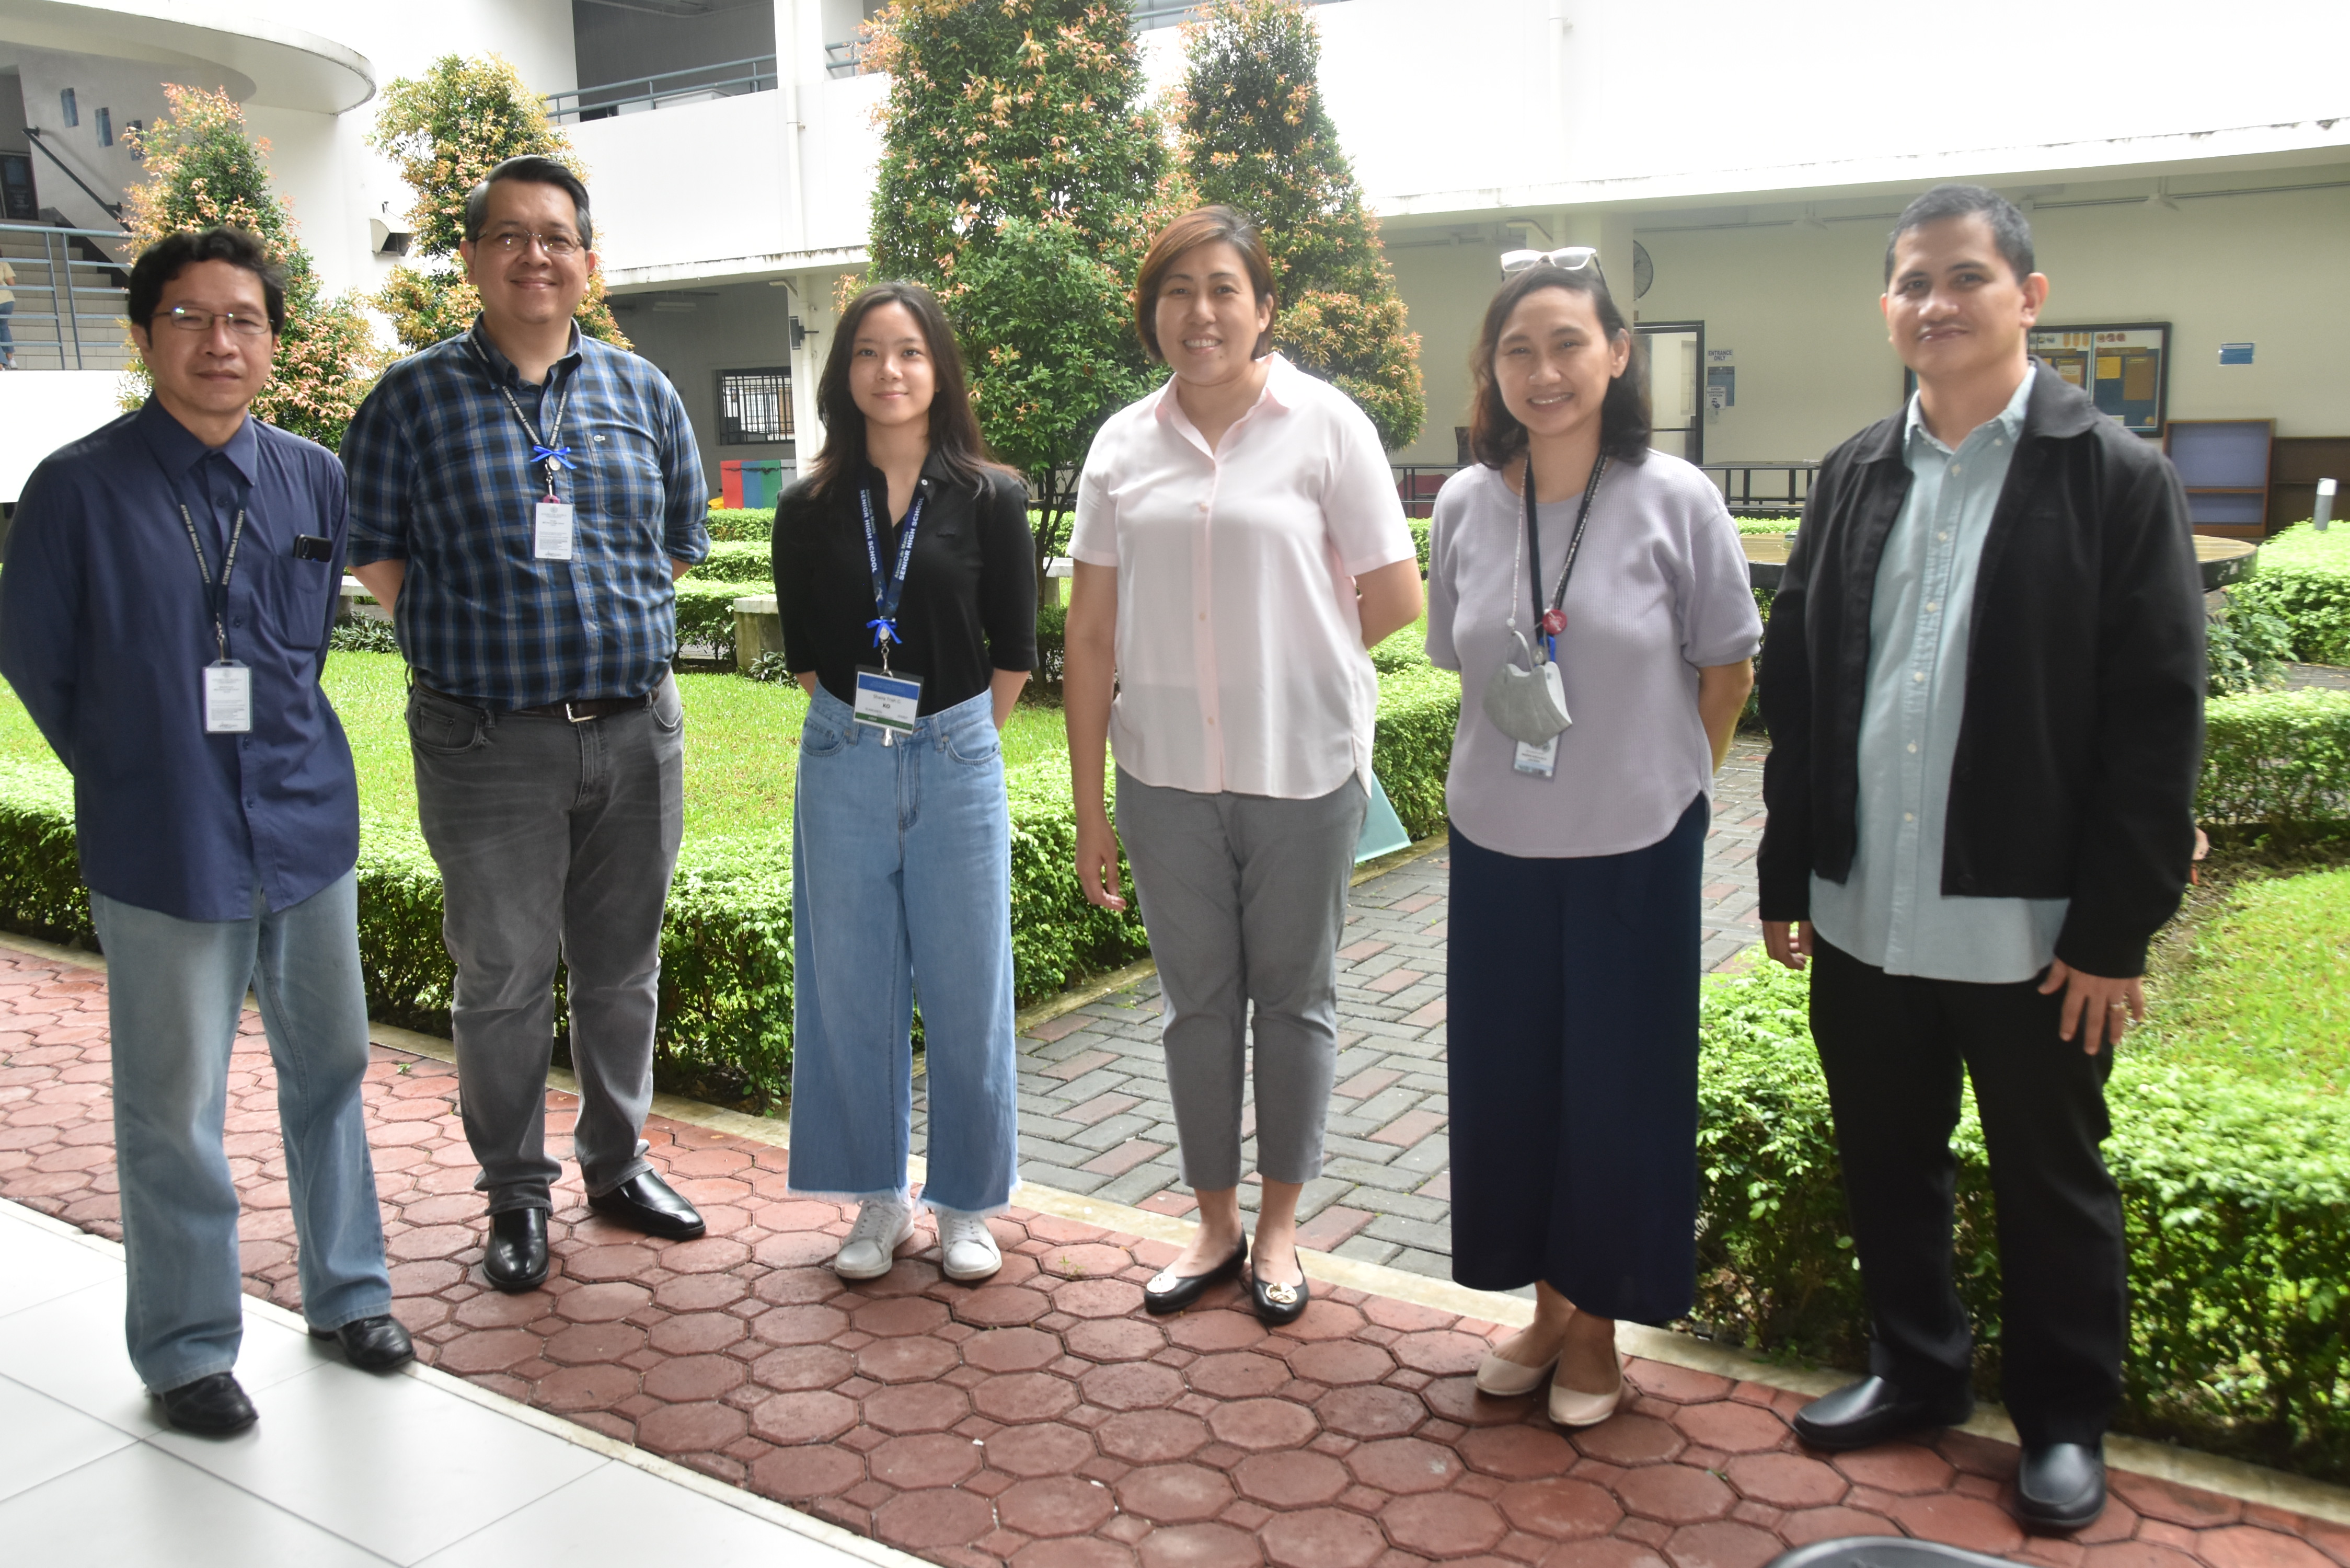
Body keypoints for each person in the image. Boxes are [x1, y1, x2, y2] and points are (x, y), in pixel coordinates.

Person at [1756, 184, 2203, 1533]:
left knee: (2051, 1181)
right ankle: (1918, 1370)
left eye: (1963, 277)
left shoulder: (2113, 477)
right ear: (1887, 306)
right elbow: (1807, 687)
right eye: (1909, 281)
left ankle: (2065, 1421)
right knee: (1889, 1160)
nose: (1934, 304)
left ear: (2029, 295)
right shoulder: (1854, 474)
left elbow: (2155, 713)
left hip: (2030, 930)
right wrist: (1788, 874)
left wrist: (2116, 931)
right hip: (1865, 909)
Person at [0, 226, 411, 1435]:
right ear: (144, 336)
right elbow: (37, 662)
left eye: (244, 319)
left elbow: (303, 650)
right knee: (172, 1105)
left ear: (272, 341)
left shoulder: (312, 479)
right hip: (162, 837)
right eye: (190, 317)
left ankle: (351, 1291)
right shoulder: (77, 488)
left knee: (330, 1072)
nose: (219, 341)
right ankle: (186, 1345)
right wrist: (137, 767)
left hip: (304, 825)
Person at [341, 156, 712, 1295]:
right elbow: (374, 549)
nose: (536, 255)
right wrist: (475, 640)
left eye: (557, 237)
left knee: (621, 967)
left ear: (586, 262)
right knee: (501, 972)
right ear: (474, 258)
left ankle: (618, 1162)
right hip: (486, 743)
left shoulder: (641, 392)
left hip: (634, 730)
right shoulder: (411, 397)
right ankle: (514, 1189)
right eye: (511, 235)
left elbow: (678, 537)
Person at [1065, 206, 1423, 1326]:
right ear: (1152, 314)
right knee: (1196, 1008)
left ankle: (1278, 1229)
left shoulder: (1326, 428)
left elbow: (1396, 593)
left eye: (1223, 288)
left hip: (1303, 769)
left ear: (1264, 306)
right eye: (1177, 290)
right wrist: (1089, 809)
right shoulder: (1122, 444)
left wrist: (1282, 662)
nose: (1200, 311)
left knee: (1296, 1003)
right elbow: (1088, 637)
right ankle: (1213, 1223)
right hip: (1164, 776)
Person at [1427, 250, 1760, 1428]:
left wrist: (1669, 784)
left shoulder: (1677, 499)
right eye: (1516, 349)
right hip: (1498, 845)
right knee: (1512, 1086)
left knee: (1618, 1093)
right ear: (1492, 371)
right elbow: (1461, 670)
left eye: (1568, 343)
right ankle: (1544, 1306)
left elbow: (1727, 670)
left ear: (1616, 354)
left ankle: (1596, 1330)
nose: (1543, 370)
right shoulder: (1466, 504)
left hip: (1635, 848)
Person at [771, 282, 1035, 1283]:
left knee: (970, 990)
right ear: (846, 374)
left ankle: (966, 1202)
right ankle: (878, 1200)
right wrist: (867, 735)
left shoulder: (990, 496)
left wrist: (960, 738)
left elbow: (1013, 645)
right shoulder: (806, 506)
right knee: (851, 987)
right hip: (842, 756)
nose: (891, 371)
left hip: (960, 752)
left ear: (940, 370)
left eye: (912, 352)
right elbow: (805, 651)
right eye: (870, 353)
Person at [0, 256, 17, 368]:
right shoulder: (3, 263)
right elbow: (12, 283)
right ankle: (11, 359)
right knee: (3, 327)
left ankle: (1, 363)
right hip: (7, 300)